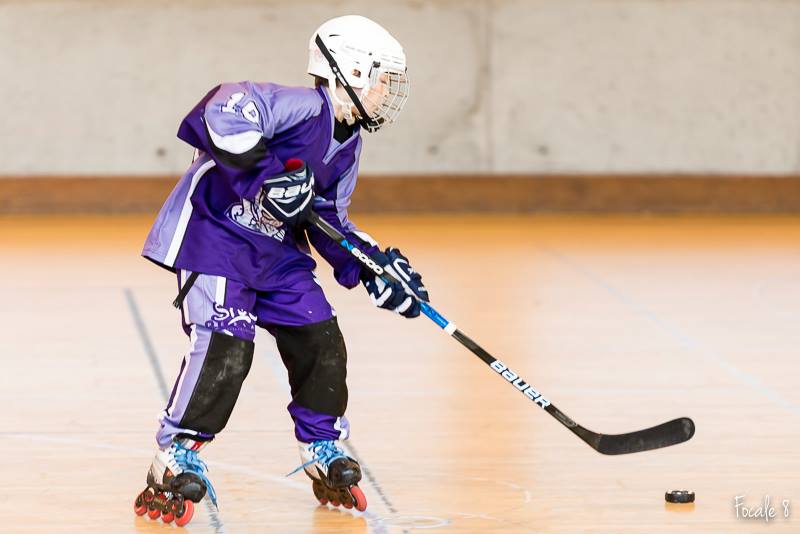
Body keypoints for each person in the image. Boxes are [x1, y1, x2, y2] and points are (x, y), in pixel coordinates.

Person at [132, 14, 429, 526]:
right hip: (218, 240)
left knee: (320, 338)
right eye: (382, 78)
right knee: (227, 345)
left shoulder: (349, 142)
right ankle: (176, 452)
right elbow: (221, 107)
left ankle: (321, 444)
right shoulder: (296, 107)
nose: (385, 92)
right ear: (352, 72)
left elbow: (330, 219)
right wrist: (269, 176)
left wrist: (373, 266)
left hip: (278, 258)